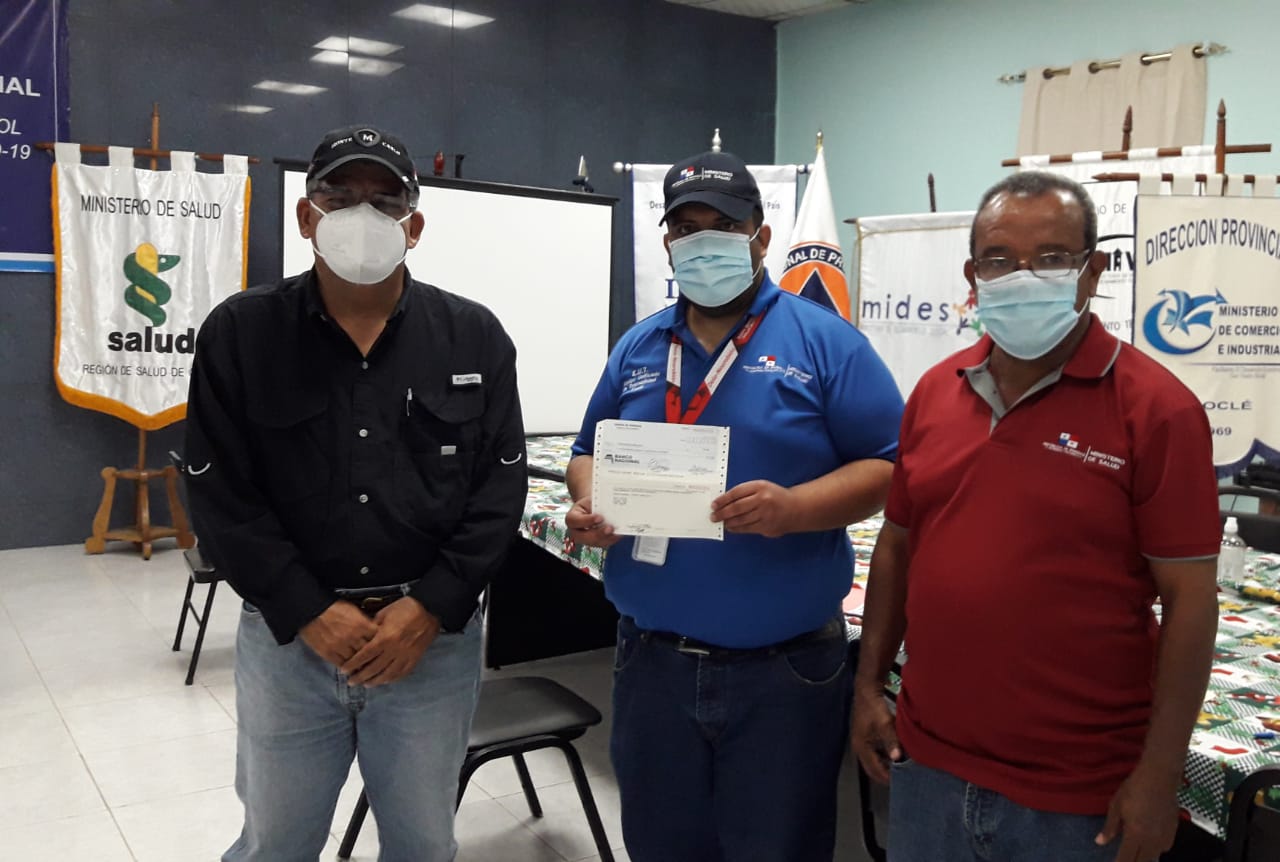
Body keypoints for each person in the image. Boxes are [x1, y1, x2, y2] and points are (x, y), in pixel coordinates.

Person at [852, 171, 1221, 862]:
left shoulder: (1158, 411)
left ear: (1092, 272)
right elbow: (897, 547)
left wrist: (1160, 773)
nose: (1022, 277)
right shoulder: (933, 393)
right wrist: (868, 686)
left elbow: (1191, 601)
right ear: (973, 277)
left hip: (1077, 794)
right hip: (928, 764)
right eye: (999, 260)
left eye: (1051, 257)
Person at [183, 125, 528, 862]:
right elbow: (220, 495)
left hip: (430, 648)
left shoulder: (474, 336)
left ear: (414, 225)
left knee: (423, 844)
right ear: (306, 216)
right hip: (289, 646)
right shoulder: (241, 334)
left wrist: (430, 607)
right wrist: (307, 609)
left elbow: (498, 491)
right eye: (339, 196)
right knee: (275, 844)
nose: (362, 215)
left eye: (385, 200)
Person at [565, 150, 905, 861]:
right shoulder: (639, 345)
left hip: (782, 672)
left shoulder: (826, 342)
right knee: (662, 846)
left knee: (777, 848)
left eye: (722, 225)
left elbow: (890, 467)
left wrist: (795, 508)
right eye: (686, 228)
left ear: (760, 236)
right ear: (667, 242)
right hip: (652, 664)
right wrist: (591, 498)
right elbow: (587, 448)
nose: (703, 241)